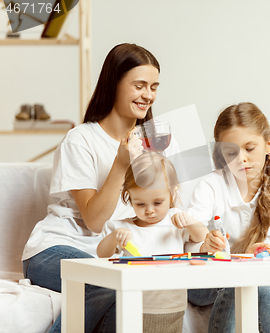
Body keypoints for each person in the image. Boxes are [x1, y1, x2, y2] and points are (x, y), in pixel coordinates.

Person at [21, 43, 179, 333]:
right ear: (114, 84)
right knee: (116, 283)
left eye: (154, 87)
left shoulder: (158, 141)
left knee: (129, 290)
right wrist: (120, 165)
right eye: (139, 85)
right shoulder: (80, 139)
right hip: (57, 250)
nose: (148, 95)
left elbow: (175, 207)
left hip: (116, 254)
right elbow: (94, 222)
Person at [186, 102, 270, 333]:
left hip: (245, 273)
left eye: (249, 148)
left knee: (259, 282)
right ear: (222, 154)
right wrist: (205, 242)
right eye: (232, 152)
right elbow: (190, 228)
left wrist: (264, 249)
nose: (242, 159)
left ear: (268, 145)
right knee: (247, 279)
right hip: (203, 280)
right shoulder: (212, 184)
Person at [97, 153, 208, 333]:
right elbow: (101, 253)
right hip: (134, 307)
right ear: (129, 197)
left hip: (173, 306)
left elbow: (203, 235)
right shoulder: (122, 228)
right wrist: (114, 237)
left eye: (157, 202)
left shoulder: (175, 220)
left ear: (172, 192)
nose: (149, 211)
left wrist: (189, 220)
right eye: (140, 204)